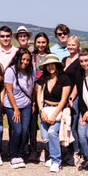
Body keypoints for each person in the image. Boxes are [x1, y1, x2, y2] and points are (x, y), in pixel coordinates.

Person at [37, 53, 71, 173]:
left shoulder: (64, 79)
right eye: (48, 65)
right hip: (45, 108)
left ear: (57, 65)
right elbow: (38, 94)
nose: (50, 67)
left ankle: (57, 161)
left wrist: (55, 115)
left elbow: (64, 99)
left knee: (52, 133)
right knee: (45, 138)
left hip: (58, 109)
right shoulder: (43, 78)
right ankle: (54, 155)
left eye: (53, 65)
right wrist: (41, 111)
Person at [4, 48, 36, 169]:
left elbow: (32, 89)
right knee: (17, 130)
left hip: (26, 104)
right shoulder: (10, 71)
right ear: (18, 58)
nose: (25, 62)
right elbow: (9, 91)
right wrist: (16, 109)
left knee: (24, 130)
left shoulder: (31, 71)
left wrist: (32, 103)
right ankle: (13, 155)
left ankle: (20, 154)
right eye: (23, 59)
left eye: (28, 60)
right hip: (12, 105)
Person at [30, 32, 51, 162]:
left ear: (47, 43)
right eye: (39, 42)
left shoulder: (50, 57)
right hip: (32, 92)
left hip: (46, 92)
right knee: (32, 123)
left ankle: (47, 149)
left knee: (45, 122)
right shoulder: (32, 56)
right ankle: (32, 149)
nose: (41, 45)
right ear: (35, 43)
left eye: (43, 42)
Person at [63, 35, 82, 165]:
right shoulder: (65, 59)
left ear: (78, 46)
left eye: (73, 45)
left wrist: (71, 97)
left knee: (74, 125)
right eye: (69, 45)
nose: (70, 47)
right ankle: (69, 151)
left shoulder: (80, 60)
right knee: (67, 124)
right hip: (65, 96)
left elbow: (78, 81)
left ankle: (77, 152)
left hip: (74, 97)